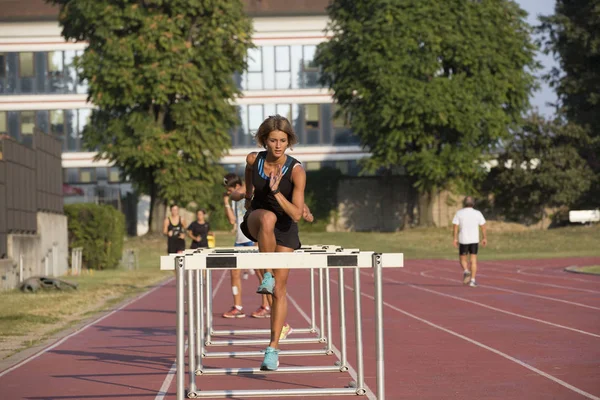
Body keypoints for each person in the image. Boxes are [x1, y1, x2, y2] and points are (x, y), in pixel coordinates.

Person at [240, 114, 307, 371]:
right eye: (273, 140)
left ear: (288, 141)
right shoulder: (253, 159)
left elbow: (296, 214)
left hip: (286, 226)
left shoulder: (297, 171)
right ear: (264, 140)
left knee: (279, 290)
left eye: (282, 140)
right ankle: (265, 274)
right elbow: (248, 173)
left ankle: (273, 348)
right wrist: (248, 195)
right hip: (257, 220)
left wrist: (276, 191)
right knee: (266, 217)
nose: (278, 145)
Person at [221, 173, 271, 319]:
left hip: (253, 239)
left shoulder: (252, 194)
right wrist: (226, 202)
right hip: (239, 240)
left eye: (229, 190)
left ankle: (266, 305)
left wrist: (258, 239)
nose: (228, 193)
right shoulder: (233, 199)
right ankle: (237, 307)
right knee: (234, 273)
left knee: (261, 274)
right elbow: (232, 220)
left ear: (237, 186)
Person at [452, 196, 487, 287]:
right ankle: (472, 280)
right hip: (474, 239)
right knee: (473, 260)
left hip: (463, 239)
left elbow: (455, 227)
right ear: (473, 203)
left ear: (464, 203)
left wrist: (455, 238)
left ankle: (466, 271)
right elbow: (483, 226)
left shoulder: (459, 213)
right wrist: (484, 238)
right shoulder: (478, 213)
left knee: (462, 259)